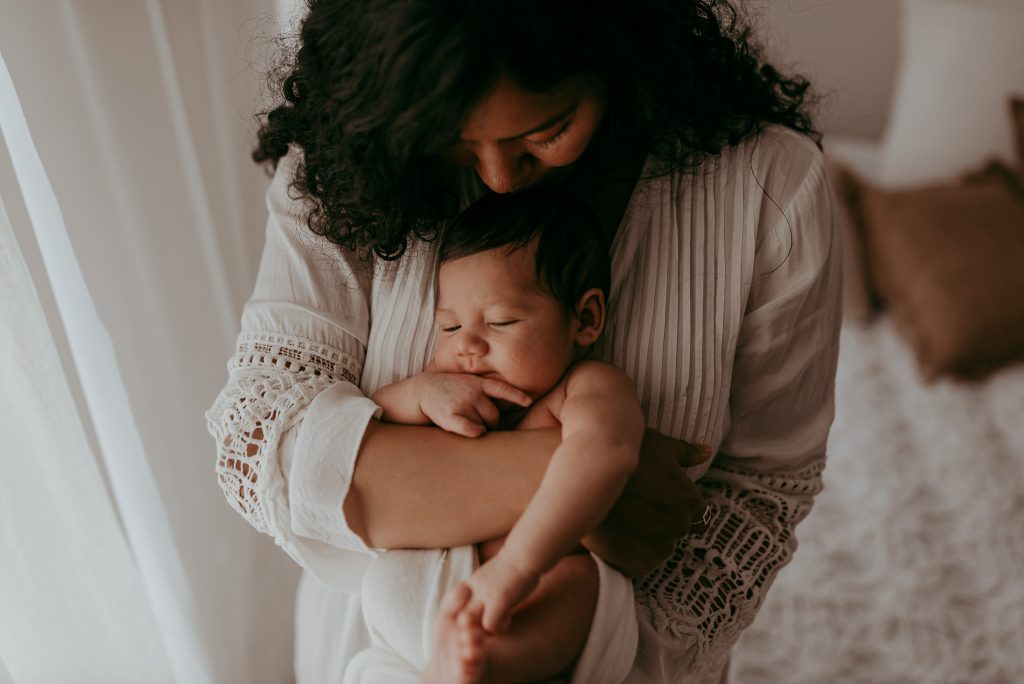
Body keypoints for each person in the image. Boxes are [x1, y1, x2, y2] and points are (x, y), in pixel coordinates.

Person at [205, 1, 842, 682]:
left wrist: (583, 635)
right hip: (371, 644)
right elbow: (264, 441)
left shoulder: (770, 191)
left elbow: (760, 497)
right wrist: (587, 478)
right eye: (452, 137)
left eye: (548, 130)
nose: (500, 178)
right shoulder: (348, 163)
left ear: (621, 51)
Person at [352, 189, 647, 683]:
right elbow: (362, 438)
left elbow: (606, 455)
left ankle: (488, 663)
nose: (466, 344)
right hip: (418, 595)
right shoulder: (449, 386)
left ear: (586, 319)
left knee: (582, 584)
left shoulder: (588, 386)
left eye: (500, 322)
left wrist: (517, 568)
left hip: (528, 588)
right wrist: (419, 393)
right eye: (449, 326)